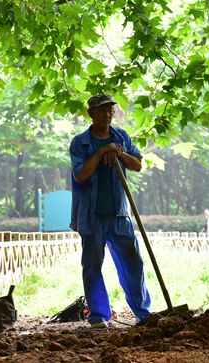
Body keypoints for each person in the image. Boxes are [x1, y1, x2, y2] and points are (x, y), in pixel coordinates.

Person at [69, 93, 152, 327]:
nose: (107, 114)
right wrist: (101, 152)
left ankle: (144, 314)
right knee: (93, 266)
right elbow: (81, 175)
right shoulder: (80, 142)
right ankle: (98, 317)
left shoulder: (121, 137)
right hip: (91, 215)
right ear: (91, 114)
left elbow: (137, 165)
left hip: (119, 214)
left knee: (133, 263)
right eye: (102, 110)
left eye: (110, 110)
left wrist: (119, 152)